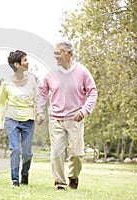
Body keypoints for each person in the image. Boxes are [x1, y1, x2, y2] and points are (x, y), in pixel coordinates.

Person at [36, 40, 98, 190]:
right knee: (56, 152)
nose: (56, 56)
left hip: (75, 119)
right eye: (55, 53)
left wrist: (84, 110)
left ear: (69, 54)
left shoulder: (82, 71)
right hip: (56, 119)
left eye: (59, 52)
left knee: (76, 153)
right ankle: (60, 183)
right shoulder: (51, 73)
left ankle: (73, 177)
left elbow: (92, 92)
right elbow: (43, 92)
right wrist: (39, 111)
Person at [0, 50, 37, 187]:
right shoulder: (6, 83)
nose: (28, 62)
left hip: (29, 120)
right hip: (11, 119)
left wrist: (39, 113)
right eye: (25, 60)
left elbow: (37, 99)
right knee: (15, 149)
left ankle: (24, 173)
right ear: (17, 64)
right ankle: (15, 180)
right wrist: (0, 123)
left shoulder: (32, 80)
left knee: (27, 153)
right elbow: (1, 104)